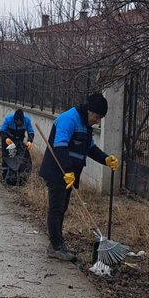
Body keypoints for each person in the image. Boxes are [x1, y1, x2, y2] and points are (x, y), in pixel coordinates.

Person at [39, 91, 119, 262]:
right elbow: (60, 145)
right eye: (97, 117)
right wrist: (67, 171)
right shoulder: (70, 119)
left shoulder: (86, 125)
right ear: (90, 111)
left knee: (62, 208)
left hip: (70, 173)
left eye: (100, 118)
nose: (97, 121)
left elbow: (89, 148)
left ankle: (57, 243)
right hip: (57, 170)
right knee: (56, 208)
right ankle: (55, 246)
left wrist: (105, 159)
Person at [0, 107, 35, 186]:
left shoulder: (27, 120)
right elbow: (2, 130)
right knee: (7, 156)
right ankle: (5, 176)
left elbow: (31, 131)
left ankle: (17, 177)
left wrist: (30, 141)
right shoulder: (9, 119)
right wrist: (6, 138)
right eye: (17, 121)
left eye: (20, 121)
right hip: (8, 139)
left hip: (19, 140)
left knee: (18, 157)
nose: (18, 123)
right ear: (14, 119)